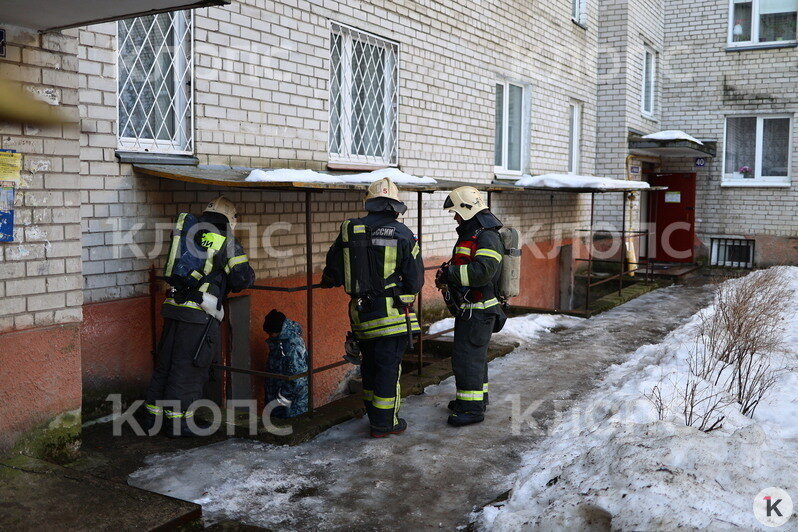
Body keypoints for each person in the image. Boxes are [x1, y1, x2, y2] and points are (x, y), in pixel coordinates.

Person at [321, 177, 424, 438]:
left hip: (360, 314)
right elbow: (415, 281)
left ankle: (373, 414)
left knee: (369, 367)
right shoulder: (403, 234)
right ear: (395, 207)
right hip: (391, 316)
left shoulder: (350, 229)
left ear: (370, 203)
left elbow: (333, 270)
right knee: (388, 369)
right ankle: (385, 423)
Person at [144, 196, 255, 436]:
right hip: (198, 314)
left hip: (174, 306)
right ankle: (179, 425)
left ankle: (152, 419)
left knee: (166, 365)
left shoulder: (191, 230)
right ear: (231, 217)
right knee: (188, 369)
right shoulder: (225, 239)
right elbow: (242, 279)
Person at [436, 186, 506, 427]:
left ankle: (472, 409)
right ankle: (476, 400)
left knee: (468, 360)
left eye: (457, 212)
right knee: (473, 358)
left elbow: (482, 272)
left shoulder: (486, 236)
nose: (455, 217)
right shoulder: (475, 233)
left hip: (479, 310)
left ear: (467, 210)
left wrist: (450, 274)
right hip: (472, 310)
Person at [263, 309, 309, 418]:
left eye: (270, 333)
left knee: (291, 425)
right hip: (280, 398)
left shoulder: (292, 346)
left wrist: (282, 396)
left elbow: (298, 380)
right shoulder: (280, 342)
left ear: (277, 330)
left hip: (290, 403)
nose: (269, 336)